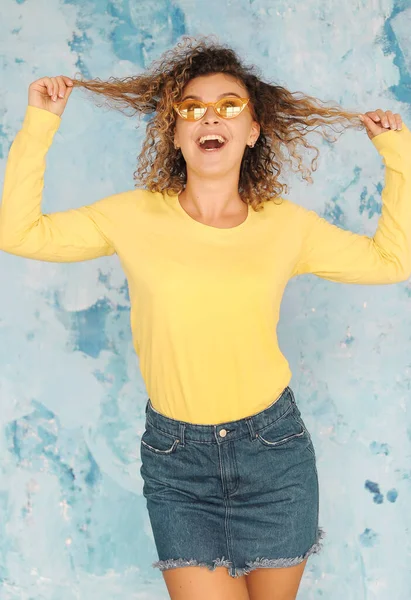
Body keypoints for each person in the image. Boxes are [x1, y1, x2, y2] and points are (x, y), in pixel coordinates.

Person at [0, 35, 409, 600]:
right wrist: (41, 123)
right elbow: (19, 232)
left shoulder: (286, 226)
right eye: (191, 108)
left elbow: (393, 260)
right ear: (174, 132)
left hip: (275, 456)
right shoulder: (133, 216)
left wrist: (398, 154)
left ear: (254, 129)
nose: (209, 117)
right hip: (177, 465)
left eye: (228, 105)